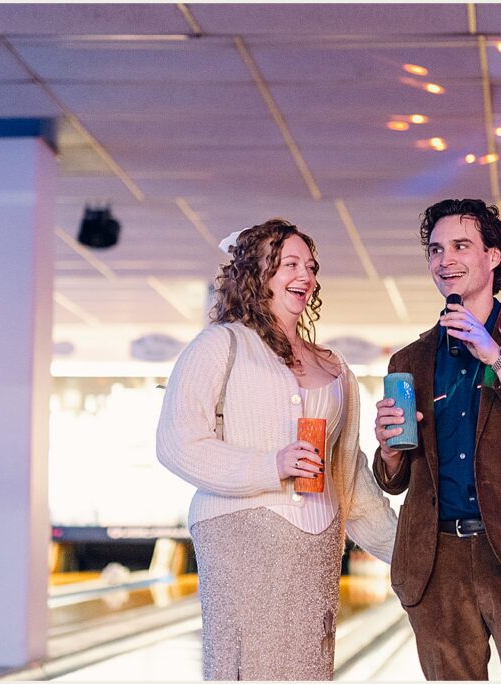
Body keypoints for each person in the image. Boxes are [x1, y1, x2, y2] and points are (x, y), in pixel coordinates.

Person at [157, 218, 398, 680]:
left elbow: (349, 478)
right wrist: (271, 465)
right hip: (241, 540)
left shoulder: (335, 367)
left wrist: (406, 551)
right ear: (257, 273)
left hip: (315, 548)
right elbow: (176, 443)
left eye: (310, 265)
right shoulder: (218, 345)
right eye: (289, 264)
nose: (304, 276)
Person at [372, 199, 501, 680]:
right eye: (435, 249)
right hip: (437, 563)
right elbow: (396, 478)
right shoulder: (410, 360)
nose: (445, 259)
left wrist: (498, 358)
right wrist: (388, 451)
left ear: (494, 257)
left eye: (461, 246)